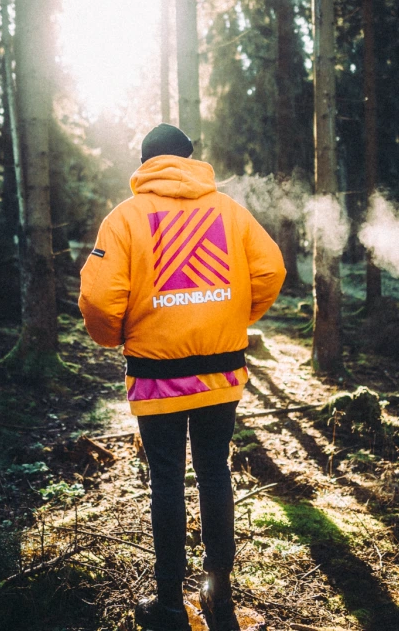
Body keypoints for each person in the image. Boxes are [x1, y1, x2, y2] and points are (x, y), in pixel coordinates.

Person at [78, 124, 285, 631]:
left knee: (166, 480)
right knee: (216, 472)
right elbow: (271, 270)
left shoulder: (125, 218)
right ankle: (221, 597)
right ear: (192, 159)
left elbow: (100, 299)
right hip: (222, 371)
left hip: (155, 374)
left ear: (145, 162)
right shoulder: (230, 212)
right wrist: (233, 318)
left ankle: (169, 605)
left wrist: (116, 336)